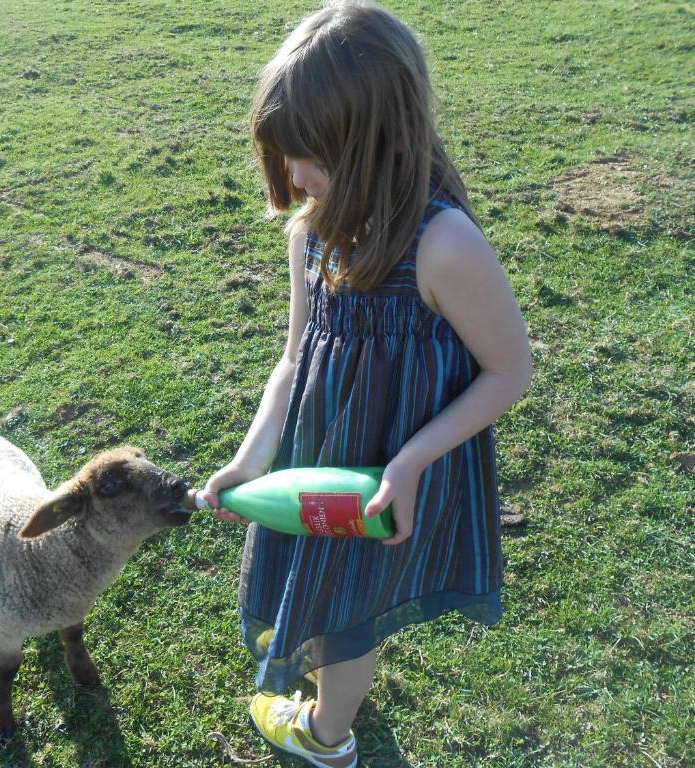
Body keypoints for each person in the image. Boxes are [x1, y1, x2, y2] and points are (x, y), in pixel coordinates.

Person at [197, 3, 533, 766]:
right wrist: (252, 460)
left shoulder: (445, 244)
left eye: (313, 158)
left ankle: (326, 736)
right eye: (285, 155)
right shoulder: (311, 231)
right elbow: (292, 359)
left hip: (391, 473)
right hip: (321, 457)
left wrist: (411, 460)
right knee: (332, 600)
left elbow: (510, 372)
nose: (296, 177)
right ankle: (336, 700)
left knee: (345, 614)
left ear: (379, 141)